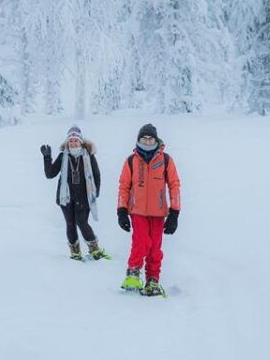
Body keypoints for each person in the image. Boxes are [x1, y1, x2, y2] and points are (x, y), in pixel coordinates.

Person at [116, 123, 181, 296]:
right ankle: (133, 273)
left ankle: (153, 279)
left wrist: (175, 212)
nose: (147, 141)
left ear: (156, 139)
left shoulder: (165, 160)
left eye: (150, 138)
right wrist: (121, 210)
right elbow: (124, 187)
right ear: (138, 139)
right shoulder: (131, 161)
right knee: (141, 242)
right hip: (137, 211)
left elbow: (174, 185)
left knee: (155, 248)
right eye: (144, 138)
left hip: (159, 213)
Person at [40, 126, 109, 261]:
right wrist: (47, 157)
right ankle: (75, 252)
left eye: (75, 140)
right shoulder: (62, 157)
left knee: (82, 222)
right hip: (66, 198)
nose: (73, 143)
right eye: (70, 140)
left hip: (84, 197)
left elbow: (96, 176)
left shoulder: (89, 156)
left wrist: (95, 194)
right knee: (70, 223)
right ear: (67, 142)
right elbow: (50, 174)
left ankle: (95, 249)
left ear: (81, 142)